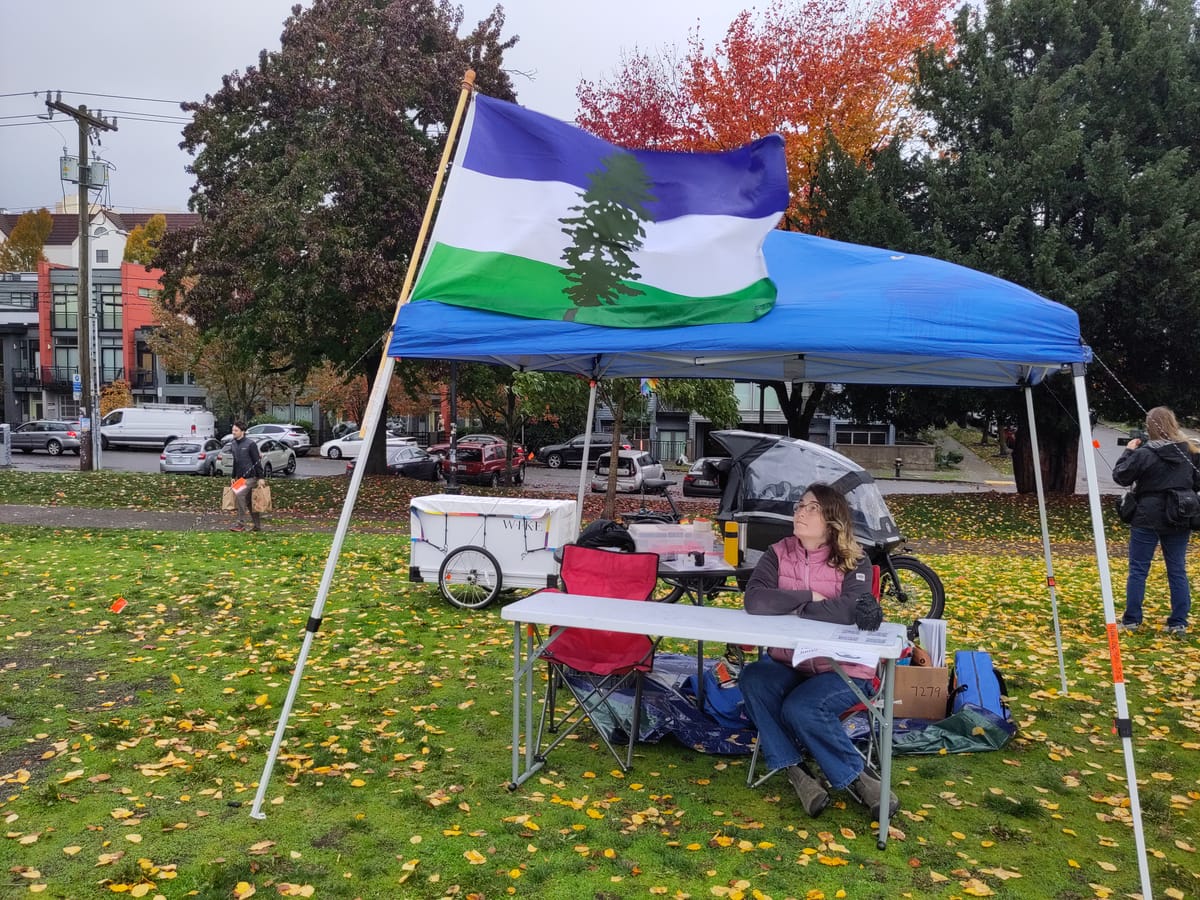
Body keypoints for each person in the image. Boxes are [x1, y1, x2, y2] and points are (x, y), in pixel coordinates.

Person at [739, 483, 896, 820]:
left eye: (811, 507)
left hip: (844, 669)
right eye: (800, 505)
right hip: (790, 662)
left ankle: (859, 778)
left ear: (831, 519)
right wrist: (808, 596)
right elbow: (755, 600)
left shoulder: (855, 559)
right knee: (753, 677)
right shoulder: (778, 552)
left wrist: (795, 610)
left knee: (802, 708)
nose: (800, 511)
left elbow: (849, 610)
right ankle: (797, 772)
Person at [1112, 406, 1198, 636]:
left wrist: (1128, 452)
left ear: (1149, 427)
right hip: (1180, 514)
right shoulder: (1189, 452)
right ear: (1173, 423)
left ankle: (1132, 620)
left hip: (1146, 516)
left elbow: (1121, 475)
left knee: (1139, 569)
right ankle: (1178, 622)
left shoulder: (1144, 454)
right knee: (1177, 569)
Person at [227, 421, 264, 533]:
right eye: (233, 430)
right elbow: (235, 461)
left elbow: (257, 461)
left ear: (242, 432)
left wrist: (261, 477)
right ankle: (257, 526)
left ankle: (240, 524)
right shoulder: (233, 444)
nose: (233, 432)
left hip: (251, 477)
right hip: (240, 478)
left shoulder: (250, 444)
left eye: (236, 430)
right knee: (248, 502)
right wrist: (234, 476)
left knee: (239, 494)